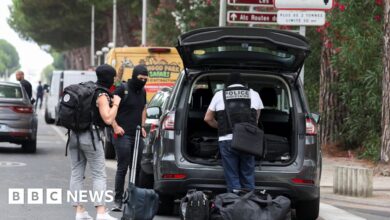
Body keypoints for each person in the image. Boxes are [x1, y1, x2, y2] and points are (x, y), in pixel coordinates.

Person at [68, 64, 121, 220]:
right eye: (113, 77)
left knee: (76, 174)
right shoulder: (101, 94)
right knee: (99, 174)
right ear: (109, 78)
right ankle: (101, 213)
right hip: (90, 136)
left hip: (74, 136)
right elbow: (108, 118)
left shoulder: (87, 89)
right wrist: (116, 102)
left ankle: (79, 212)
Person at [204, 72, 264, 193]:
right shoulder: (254, 94)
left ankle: (235, 205)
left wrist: (220, 126)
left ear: (227, 85)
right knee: (247, 174)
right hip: (247, 140)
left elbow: (207, 118)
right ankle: (250, 205)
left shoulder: (219, 95)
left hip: (227, 140)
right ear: (243, 84)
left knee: (232, 176)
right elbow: (256, 119)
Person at [111, 65, 148, 211]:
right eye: (141, 78)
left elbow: (144, 108)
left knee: (137, 168)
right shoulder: (122, 89)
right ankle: (118, 199)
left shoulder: (143, 91)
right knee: (123, 167)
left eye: (146, 79)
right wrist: (115, 126)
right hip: (123, 135)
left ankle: (133, 198)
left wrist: (143, 126)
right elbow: (111, 109)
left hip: (137, 134)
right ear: (134, 76)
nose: (143, 81)